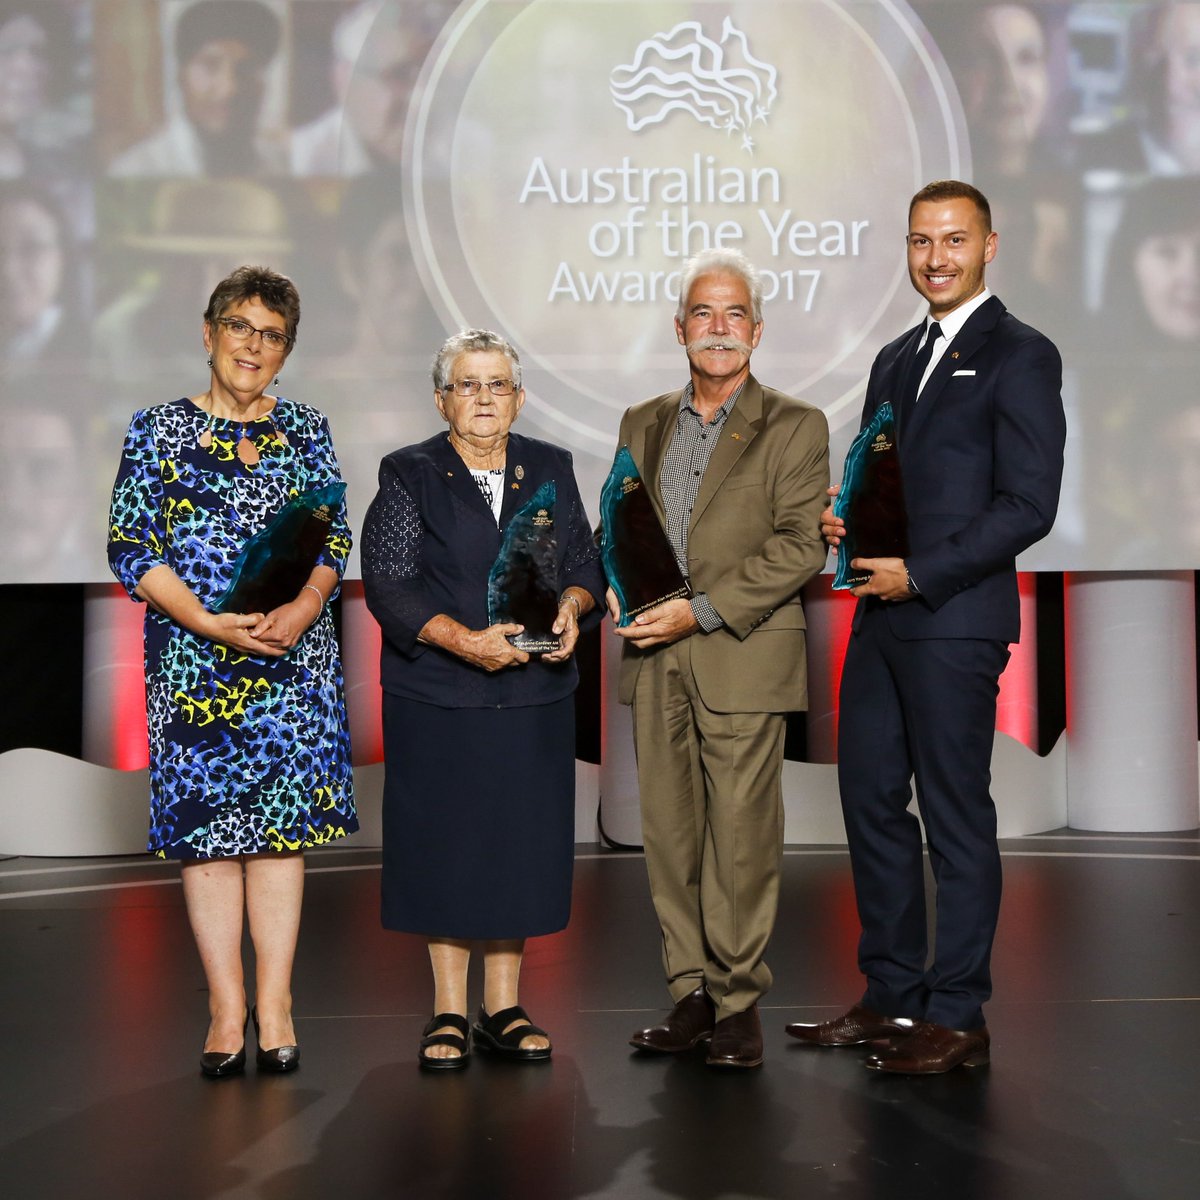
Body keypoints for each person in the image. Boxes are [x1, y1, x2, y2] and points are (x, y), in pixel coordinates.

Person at [788, 180, 1066, 1073]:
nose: (935, 257)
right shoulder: (895, 357)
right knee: (868, 804)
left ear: (989, 246)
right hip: (879, 614)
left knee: (954, 816)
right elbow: (893, 485)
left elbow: (1030, 502)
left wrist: (925, 570)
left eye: (953, 240)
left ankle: (959, 1014)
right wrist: (851, 523)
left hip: (953, 619)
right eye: (920, 241)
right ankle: (891, 995)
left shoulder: (1022, 353)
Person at [107, 265, 357, 1077]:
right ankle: (224, 1009)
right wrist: (205, 621)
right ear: (208, 333)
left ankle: (276, 1004)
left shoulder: (308, 429)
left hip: (291, 659)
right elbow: (131, 546)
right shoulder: (155, 429)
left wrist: (311, 605)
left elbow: (334, 537)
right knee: (208, 844)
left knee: (280, 837)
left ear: (286, 352)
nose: (255, 345)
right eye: (241, 327)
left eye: (272, 334)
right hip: (194, 663)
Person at [360, 328, 603, 1069]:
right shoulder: (410, 473)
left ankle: (504, 1007)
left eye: (497, 384)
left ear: (520, 397)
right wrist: (461, 640)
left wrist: (572, 606)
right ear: (442, 399)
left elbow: (586, 562)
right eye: (468, 384)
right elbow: (389, 583)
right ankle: (446, 1011)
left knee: (516, 852)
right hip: (439, 694)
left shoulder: (552, 467)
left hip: (532, 700)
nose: (484, 397)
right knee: (447, 852)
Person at [613, 248, 830, 1069]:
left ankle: (739, 1003)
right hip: (654, 652)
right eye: (702, 314)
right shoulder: (642, 420)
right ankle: (691, 994)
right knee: (669, 833)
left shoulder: (796, 424)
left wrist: (696, 612)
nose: (718, 328)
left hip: (738, 648)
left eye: (733, 314)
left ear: (758, 330)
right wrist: (612, 584)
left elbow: (800, 545)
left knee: (741, 835)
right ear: (679, 329)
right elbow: (622, 526)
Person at [108, 0, 286, 177]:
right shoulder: (135, 171)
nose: (229, 89)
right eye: (210, 66)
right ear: (181, 78)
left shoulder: (282, 164)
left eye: (246, 68)